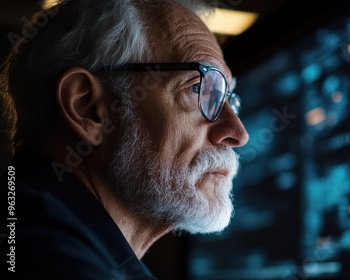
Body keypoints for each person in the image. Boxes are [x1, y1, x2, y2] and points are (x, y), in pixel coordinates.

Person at [0, 0, 249, 278]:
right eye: (197, 88)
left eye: (227, 98)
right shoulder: (47, 256)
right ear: (88, 108)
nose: (238, 133)